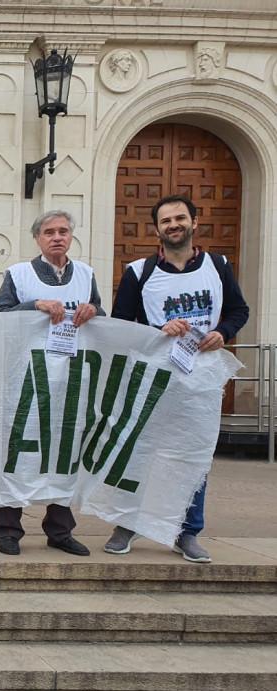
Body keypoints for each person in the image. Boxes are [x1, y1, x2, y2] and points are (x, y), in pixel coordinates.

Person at [105, 194, 249, 563]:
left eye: (180, 218)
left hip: (201, 380)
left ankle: (187, 532)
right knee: (140, 451)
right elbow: (122, 326)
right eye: (166, 221)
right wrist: (159, 330)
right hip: (155, 377)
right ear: (157, 230)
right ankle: (129, 523)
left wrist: (223, 332)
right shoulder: (139, 272)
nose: (174, 225)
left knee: (194, 455)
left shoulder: (218, 266)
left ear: (194, 223)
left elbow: (239, 309)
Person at [0, 209, 104, 557]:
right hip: (28, 377)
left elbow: (101, 318)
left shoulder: (85, 274)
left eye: (64, 231)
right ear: (38, 238)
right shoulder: (20, 274)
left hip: (71, 378)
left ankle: (60, 529)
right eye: (50, 232)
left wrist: (93, 311)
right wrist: (34, 304)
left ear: (72, 237)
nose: (57, 237)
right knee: (18, 451)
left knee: (64, 449)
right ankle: (9, 530)